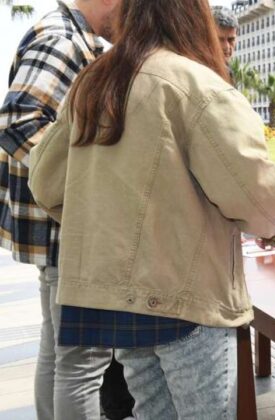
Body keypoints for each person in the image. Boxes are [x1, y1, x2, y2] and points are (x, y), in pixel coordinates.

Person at [28, 0, 275, 417]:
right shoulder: (194, 83)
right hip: (189, 294)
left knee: (151, 411)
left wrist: (106, 217)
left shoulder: (94, 80)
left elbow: (45, 184)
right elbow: (259, 202)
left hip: (117, 296)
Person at [0, 1, 126, 419]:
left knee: (59, 354)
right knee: (83, 362)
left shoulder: (70, 35)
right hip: (68, 228)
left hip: (58, 228)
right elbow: (17, 119)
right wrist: (79, 184)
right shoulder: (64, 39)